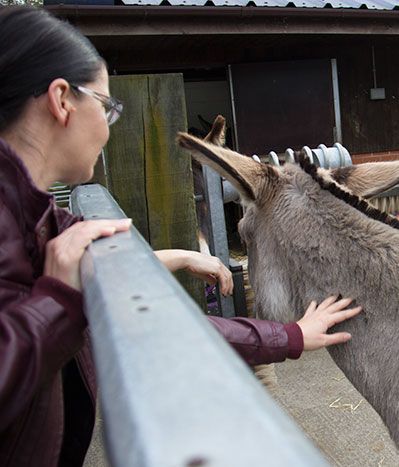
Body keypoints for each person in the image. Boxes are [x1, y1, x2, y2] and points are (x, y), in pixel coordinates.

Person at [0, 6, 362, 466]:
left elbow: (163, 322)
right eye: (108, 106)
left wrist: (172, 258)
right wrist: (58, 299)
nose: (110, 127)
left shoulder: (38, 214)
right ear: (62, 100)